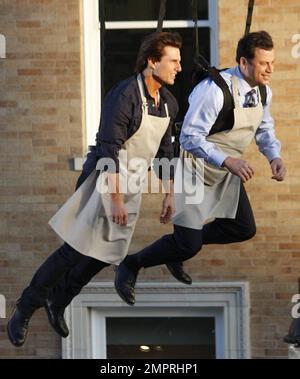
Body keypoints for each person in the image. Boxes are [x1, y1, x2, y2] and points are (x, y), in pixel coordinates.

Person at [7, 31, 183, 347]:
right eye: (173, 61)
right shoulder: (125, 95)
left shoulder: (168, 103)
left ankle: (61, 297)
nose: (179, 68)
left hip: (131, 185)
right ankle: (26, 306)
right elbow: (108, 150)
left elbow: (167, 153)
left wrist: (170, 193)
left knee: (108, 253)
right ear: (151, 62)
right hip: (104, 178)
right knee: (75, 248)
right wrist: (113, 198)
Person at [115, 30, 287, 306]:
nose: (270, 69)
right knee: (188, 244)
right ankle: (131, 264)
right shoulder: (214, 90)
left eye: (273, 62)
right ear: (244, 63)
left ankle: (177, 252)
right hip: (192, 168)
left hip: (223, 169)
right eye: (264, 63)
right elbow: (189, 138)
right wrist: (228, 160)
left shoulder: (263, 91)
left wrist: (273, 156)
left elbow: (264, 128)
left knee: (243, 228)